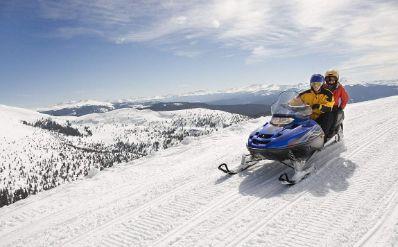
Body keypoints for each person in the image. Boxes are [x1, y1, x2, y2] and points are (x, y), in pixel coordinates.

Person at [298, 74, 335, 142]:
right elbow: (295, 102)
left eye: (318, 83)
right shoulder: (304, 94)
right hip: (308, 117)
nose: (315, 86)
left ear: (322, 84)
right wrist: (287, 105)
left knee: (328, 115)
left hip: (320, 117)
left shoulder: (328, 94)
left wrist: (319, 106)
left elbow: (329, 107)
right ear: (311, 84)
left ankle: (323, 138)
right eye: (313, 83)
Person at [322, 69, 349, 138]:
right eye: (328, 79)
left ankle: (329, 133)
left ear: (336, 79)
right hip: (323, 106)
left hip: (334, 107)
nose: (330, 81)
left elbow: (345, 98)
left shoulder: (339, 88)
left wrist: (341, 108)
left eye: (333, 79)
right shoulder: (323, 87)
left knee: (331, 120)